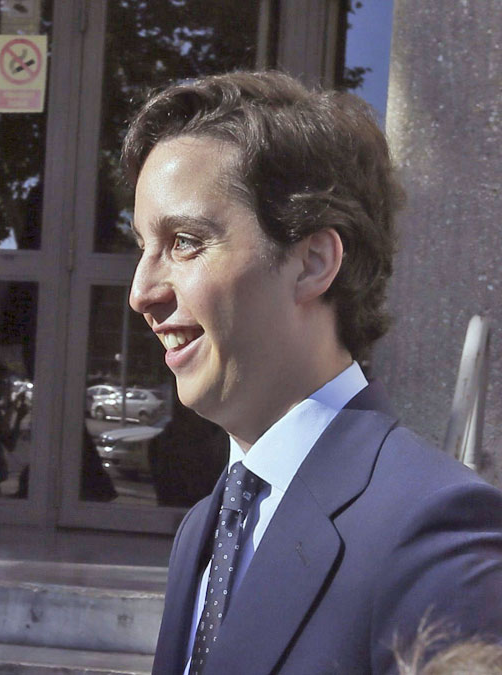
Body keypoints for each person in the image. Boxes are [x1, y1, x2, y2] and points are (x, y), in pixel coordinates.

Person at [121, 70, 502, 674]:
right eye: (143, 245)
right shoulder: (204, 527)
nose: (141, 291)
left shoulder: (435, 530)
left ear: (314, 262)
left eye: (185, 241)